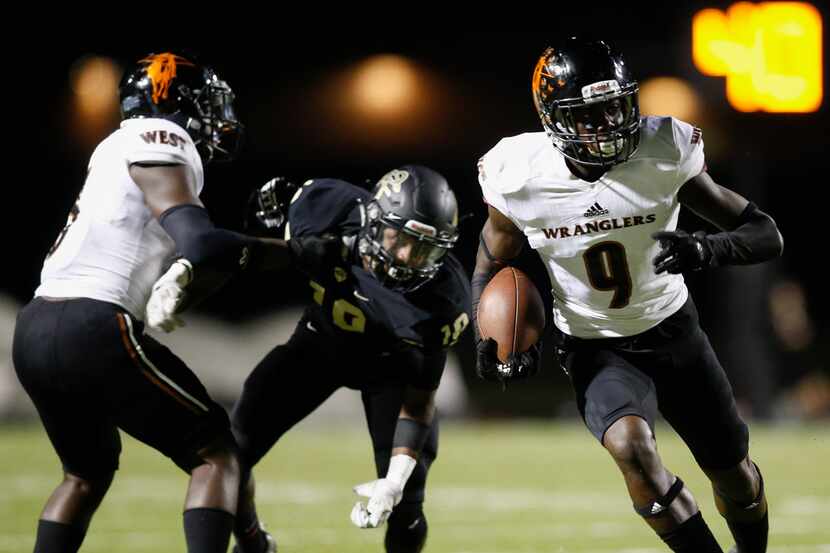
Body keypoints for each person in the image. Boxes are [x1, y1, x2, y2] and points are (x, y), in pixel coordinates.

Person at [471, 38, 783, 553]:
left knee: (735, 476)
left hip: (672, 329)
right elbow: (492, 260)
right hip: (596, 344)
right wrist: (487, 336)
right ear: (553, 120)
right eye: (589, 114)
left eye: (615, 106)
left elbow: (764, 234)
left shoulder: (662, 151)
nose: (608, 124)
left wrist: (706, 250)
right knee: (630, 447)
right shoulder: (520, 174)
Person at [12, 51, 285, 553]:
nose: (214, 116)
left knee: (84, 473)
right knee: (216, 453)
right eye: (206, 103)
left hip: (34, 326)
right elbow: (199, 242)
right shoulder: (160, 135)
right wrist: (290, 252)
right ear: (174, 102)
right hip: (90, 322)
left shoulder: (110, 148)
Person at [228, 166, 471, 553]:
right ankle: (253, 544)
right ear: (374, 221)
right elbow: (260, 242)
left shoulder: (443, 298)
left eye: (425, 248)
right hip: (318, 347)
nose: (408, 258)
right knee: (230, 453)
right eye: (400, 238)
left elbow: (420, 400)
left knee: (407, 500)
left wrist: (394, 479)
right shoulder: (329, 208)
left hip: (391, 372)